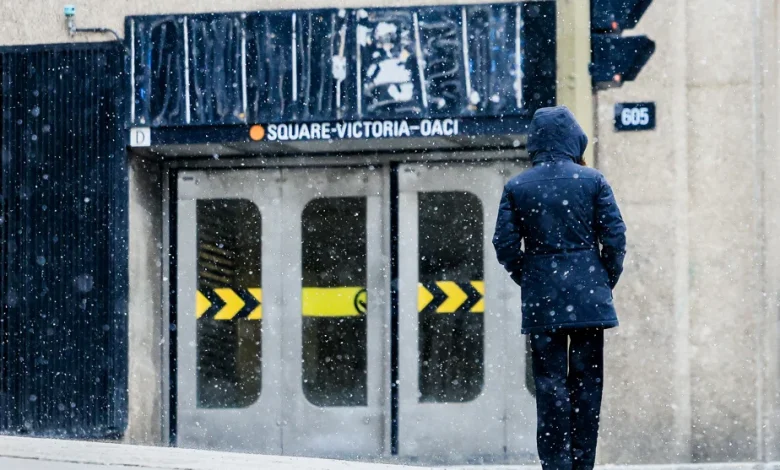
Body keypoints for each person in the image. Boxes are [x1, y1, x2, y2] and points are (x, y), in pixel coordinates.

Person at [492, 106, 627, 470]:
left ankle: (555, 465)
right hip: (588, 300)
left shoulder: (517, 186)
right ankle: (583, 464)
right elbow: (614, 237)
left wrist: (530, 276)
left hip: (543, 302)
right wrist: (602, 279)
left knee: (549, 387)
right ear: (573, 140)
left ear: (535, 142)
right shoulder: (592, 180)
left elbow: (504, 244)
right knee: (587, 385)